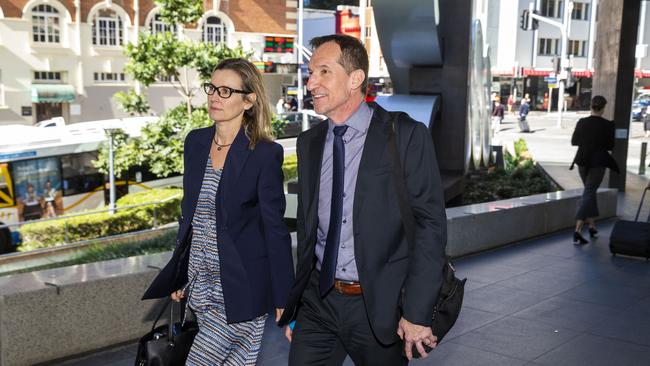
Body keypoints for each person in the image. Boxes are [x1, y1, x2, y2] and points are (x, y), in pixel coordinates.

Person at [278, 34, 447, 365]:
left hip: (379, 306)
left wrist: (416, 311)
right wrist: (297, 301)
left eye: (323, 72)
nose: (311, 83)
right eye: (310, 73)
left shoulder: (405, 135)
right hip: (318, 302)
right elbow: (309, 228)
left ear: (355, 79)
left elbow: (430, 225)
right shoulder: (309, 143)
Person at [142, 58, 294, 365]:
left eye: (226, 91)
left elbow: (274, 230)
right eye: (212, 87)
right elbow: (191, 215)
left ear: (248, 100)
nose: (214, 96)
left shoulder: (265, 154)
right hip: (200, 284)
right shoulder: (196, 142)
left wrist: (284, 297)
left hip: (241, 288)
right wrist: (180, 273)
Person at [570, 95, 618, 245]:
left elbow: (574, 141)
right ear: (603, 108)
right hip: (598, 163)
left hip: (582, 161)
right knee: (589, 192)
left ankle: (591, 226)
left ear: (591, 106)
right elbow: (611, 146)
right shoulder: (609, 125)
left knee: (589, 192)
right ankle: (578, 229)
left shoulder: (582, 122)